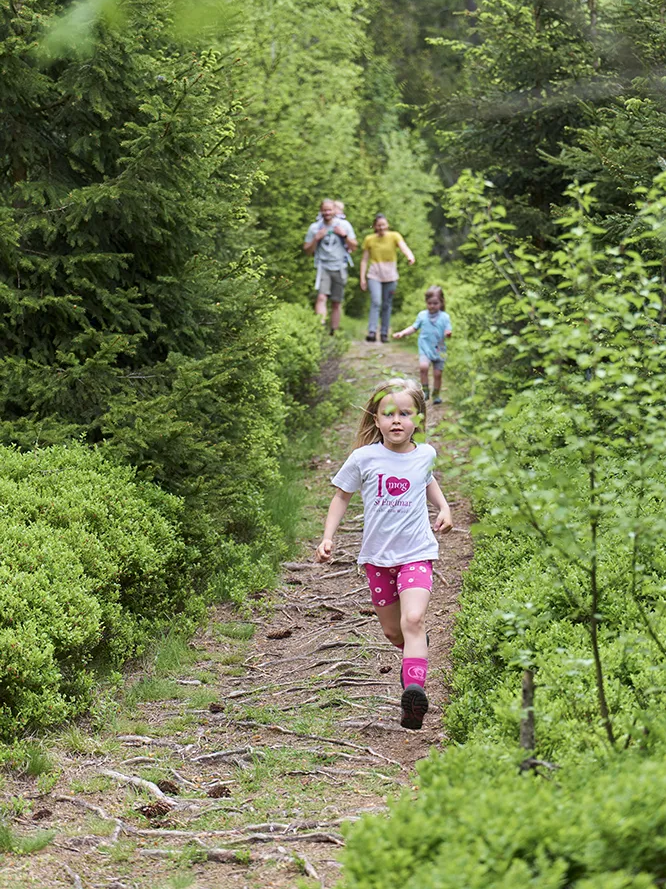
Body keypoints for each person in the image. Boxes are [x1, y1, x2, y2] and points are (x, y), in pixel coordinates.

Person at [315, 378, 452, 730]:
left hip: (416, 553)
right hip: (377, 559)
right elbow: (341, 496)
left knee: (414, 620)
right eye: (388, 414)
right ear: (375, 420)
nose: (396, 421)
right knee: (395, 633)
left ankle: (414, 693)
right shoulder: (364, 458)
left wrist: (444, 507)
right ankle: (414, 652)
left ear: (418, 420)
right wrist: (328, 537)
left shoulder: (425, 454)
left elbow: (428, 479)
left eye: (405, 414)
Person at [304, 199, 357, 334]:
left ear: (335, 211)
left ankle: (333, 330)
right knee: (321, 297)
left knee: (336, 301)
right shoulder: (315, 228)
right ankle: (320, 327)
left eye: (330, 210)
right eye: (325, 210)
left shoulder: (344, 226)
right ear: (321, 211)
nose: (327, 212)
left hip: (340, 266)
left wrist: (344, 236)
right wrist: (316, 238)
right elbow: (307, 251)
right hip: (323, 267)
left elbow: (354, 246)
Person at [360, 214, 415, 344]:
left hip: (390, 275)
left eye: (383, 225)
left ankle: (384, 333)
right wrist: (362, 278)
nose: (381, 227)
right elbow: (364, 260)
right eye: (378, 225)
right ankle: (372, 332)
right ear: (374, 226)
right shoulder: (369, 239)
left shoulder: (394, 236)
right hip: (374, 274)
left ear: (387, 225)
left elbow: (403, 247)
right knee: (376, 301)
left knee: (387, 304)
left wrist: (410, 256)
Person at [393, 285, 452, 404]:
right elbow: (414, 328)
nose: (432, 306)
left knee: (438, 374)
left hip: (440, 349)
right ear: (426, 302)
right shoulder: (422, 315)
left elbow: (448, 330)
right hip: (425, 348)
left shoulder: (445, 317)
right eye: (429, 303)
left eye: (435, 303)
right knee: (423, 367)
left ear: (441, 302)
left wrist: (448, 333)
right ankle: (425, 391)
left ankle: (436, 394)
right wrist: (403, 333)